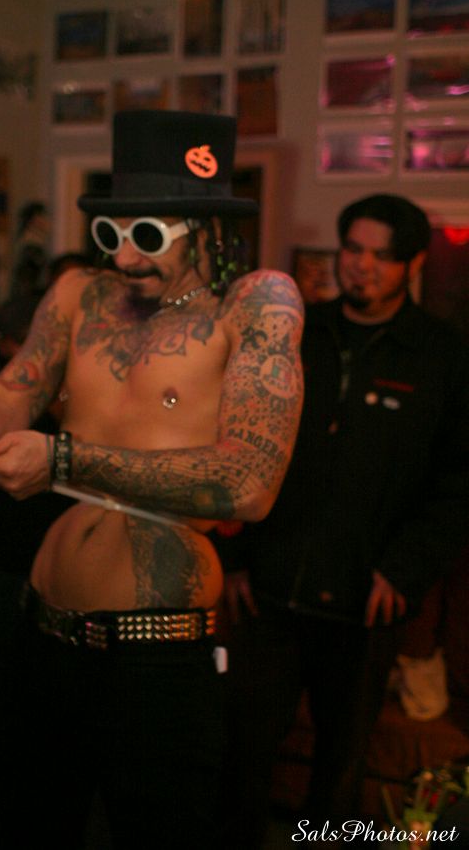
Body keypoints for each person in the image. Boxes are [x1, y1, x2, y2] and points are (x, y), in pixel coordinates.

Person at [0, 110, 304, 850]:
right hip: (41, 634)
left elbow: (249, 482)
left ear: (207, 226)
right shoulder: (80, 294)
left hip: (156, 656)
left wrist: (65, 460)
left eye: (148, 236)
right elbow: (4, 404)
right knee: (29, 831)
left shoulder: (257, 302)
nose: (125, 257)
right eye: (112, 232)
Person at [221, 193, 469, 848]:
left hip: (365, 600)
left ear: (412, 264)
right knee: (240, 753)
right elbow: (241, 445)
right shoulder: (299, 333)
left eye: (381, 256)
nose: (361, 265)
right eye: (353, 249)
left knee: (339, 770)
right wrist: (236, 557)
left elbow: (458, 484)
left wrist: (405, 570)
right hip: (268, 591)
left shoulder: (441, 354)